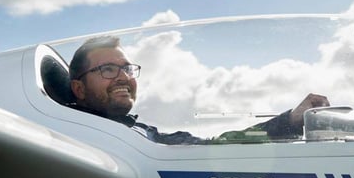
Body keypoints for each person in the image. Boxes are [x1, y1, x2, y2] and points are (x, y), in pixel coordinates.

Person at [68, 35, 330, 144]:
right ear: (79, 89)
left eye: (127, 69)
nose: (123, 77)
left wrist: (291, 120)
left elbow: (215, 149)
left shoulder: (143, 135)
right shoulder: (72, 138)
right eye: (108, 70)